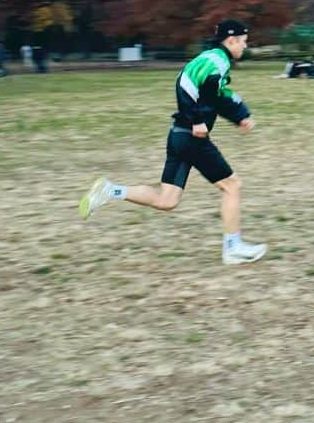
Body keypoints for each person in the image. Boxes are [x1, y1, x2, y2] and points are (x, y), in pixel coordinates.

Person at [79, 19, 267, 264]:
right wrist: (197, 120)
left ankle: (110, 191)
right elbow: (184, 83)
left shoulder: (212, 61)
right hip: (191, 137)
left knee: (167, 200)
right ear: (231, 40)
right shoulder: (216, 61)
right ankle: (232, 248)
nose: (245, 46)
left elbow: (216, 96)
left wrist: (240, 116)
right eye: (243, 41)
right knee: (232, 186)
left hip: (179, 135)